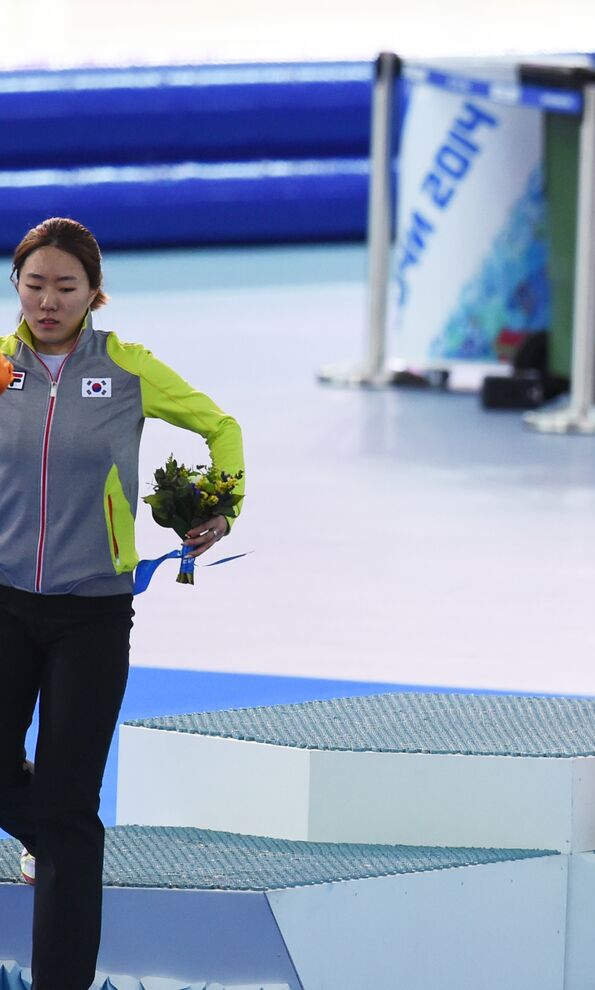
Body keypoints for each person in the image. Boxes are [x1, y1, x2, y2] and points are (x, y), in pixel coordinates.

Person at [0, 218, 245, 990]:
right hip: (2, 603)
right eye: (34, 285)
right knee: (55, 818)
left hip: (91, 616)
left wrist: (219, 505)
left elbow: (220, 426)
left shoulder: (127, 370)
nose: (47, 301)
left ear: (94, 294)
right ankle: (58, 838)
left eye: (65, 287)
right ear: (16, 286)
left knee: (70, 810)